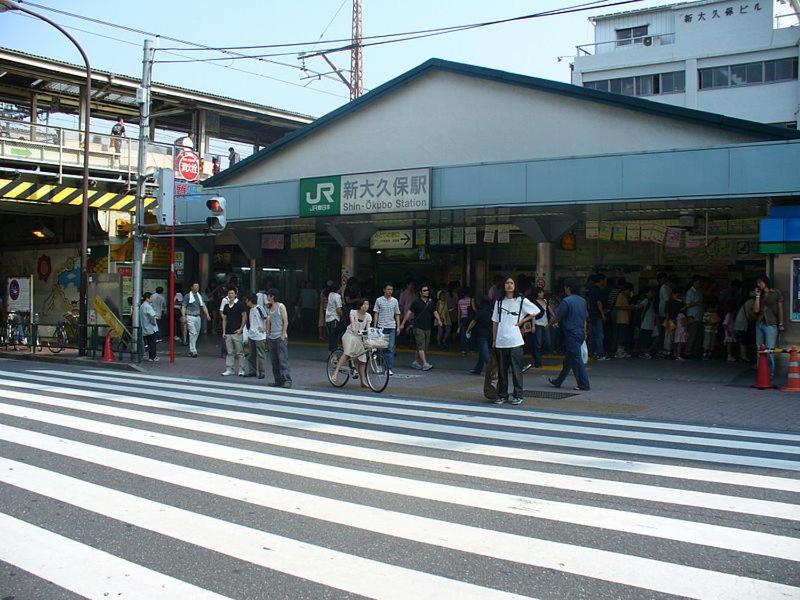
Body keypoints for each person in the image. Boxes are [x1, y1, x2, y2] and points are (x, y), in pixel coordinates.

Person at [491, 277, 539, 405]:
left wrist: (523, 320)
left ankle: (518, 395)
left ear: (515, 286)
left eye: (512, 283)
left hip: (515, 340)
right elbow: (495, 322)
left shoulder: (521, 300)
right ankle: (503, 395)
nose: (509, 285)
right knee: (502, 371)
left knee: (516, 370)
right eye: (507, 283)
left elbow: (536, 310)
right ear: (504, 286)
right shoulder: (499, 302)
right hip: (501, 340)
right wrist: (494, 340)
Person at [548, 278, 591, 391]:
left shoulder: (567, 301)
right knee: (569, 359)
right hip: (580, 332)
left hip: (571, 333)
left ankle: (584, 384)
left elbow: (558, 316)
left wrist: (549, 325)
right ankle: (558, 381)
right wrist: (585, 332)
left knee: (576, 359)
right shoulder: (582, 301)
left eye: (565, 287)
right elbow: (585, 319)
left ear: (568, 288)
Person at [399, 283, 441, 371]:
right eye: (424, 291)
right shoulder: (416, 302)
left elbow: (435, 312)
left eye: (427, 290)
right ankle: (425, 363)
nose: (426, 292)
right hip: (418, 327)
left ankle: (416, 362)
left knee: (424, 346)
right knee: (421, 345)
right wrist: (403, 323)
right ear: (420, 293)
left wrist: (439, 320)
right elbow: (409, 313)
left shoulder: (431, 302)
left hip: (428, 327)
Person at [333, 299, 373, 387]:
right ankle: (335, 373)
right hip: (349, 335)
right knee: (347, 353)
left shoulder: (368, 316)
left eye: (367, 304)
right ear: (360, 306)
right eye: (364, 304)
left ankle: (363, 381)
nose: (365, 306)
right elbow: (353, 322)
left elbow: (368, 328)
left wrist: (370, 335)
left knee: (363, 359)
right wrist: (355, 330)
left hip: (359, 337)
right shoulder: (353, 312)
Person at [753, 274, 784, 377]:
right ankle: (760, 371)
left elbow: (780, 309)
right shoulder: (760, 295)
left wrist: (781, 323)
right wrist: (757, 296)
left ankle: (770, 373)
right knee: (759, 349)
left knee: (770, 349)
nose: (759, 285)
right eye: (758, 283)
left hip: (771, 323)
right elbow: (756, 310)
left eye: (760, 282)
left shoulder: (776, 293)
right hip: (760, 323)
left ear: (765, 282)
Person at [265, 288, 292, 388]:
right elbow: (269, 321)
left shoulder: (281, 306)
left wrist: (283, 334)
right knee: (274, 360)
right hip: (272, 337)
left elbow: (286, 321)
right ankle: (278, 380)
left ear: (272, 296)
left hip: (280, 337)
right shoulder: (270, 307)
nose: (267, 297)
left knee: (282, 360)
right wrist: (267, 333)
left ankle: (287, 380)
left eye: (268, 295)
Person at [373, 283, 400, 376]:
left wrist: (398, 326)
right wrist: (375, 325)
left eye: (391, 290)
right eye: (388, 289)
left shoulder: (395, 301)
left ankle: (389, 368)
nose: (390, 291)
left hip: (392, 326)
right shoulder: (379, 300)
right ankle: (380, 365)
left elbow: (397, 313)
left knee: (391, 348)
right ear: (384, 290)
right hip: (381, 327)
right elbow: (376, 313)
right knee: (380, 348)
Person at [220, 288, 248, 376]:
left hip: (237, 332)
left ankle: (241, 369)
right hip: (228, 332)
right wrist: (224, 332)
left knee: (240, 352)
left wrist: (240, 329)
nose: (230, 295)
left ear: (235, 294)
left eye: (232, 293)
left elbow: (244, 317)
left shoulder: (240, 304)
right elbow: (224, 319)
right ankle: (229, 369)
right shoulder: (226, 306)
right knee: (229, 352)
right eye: (229, 293)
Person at [181, 282, 210, 358]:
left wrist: (207, 315)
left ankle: (192, 349)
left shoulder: (199, 296)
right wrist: (183, 316)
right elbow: (183, 306)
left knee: (196, 333)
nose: (197, 288)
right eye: (195, 286)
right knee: (192, 333)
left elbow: (203, 306)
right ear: (191, 287)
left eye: (198, 286)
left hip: (198, 317)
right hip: (190, 316)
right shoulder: (187, 296)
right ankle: (193, 350)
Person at [467, 296, 493, 374]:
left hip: (482, 334)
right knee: (482, 352)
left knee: (485, 352)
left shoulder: (480, 311)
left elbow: (473, 322)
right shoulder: (492, 312)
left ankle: (491, 369)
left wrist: (468, 330)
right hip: (490, 334)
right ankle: (478, 369)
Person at [245, 293, 268, 379]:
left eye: (247, 300)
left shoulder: (259, 308)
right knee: (251, 354)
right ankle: (253, 371)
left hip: (259, 336)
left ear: (250, 300)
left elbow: (266, 318)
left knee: (260, 354)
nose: (246, 302)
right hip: (252, 335)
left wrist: (264, 329)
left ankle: (262, 372)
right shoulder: (251, 309)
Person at [587, 274, 608, 361]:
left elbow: (588, 302)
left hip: (591, 315)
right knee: (600, 335)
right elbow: (599, 302)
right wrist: (602, 314)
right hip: (597, 315)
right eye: (604, 280)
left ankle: (590, 353)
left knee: (592, 335)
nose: (605, 282)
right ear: (601, 280)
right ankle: (600, 354)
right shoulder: (598, 290)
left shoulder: (591, 289)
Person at [684, 276, 706, 358]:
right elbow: (687, 304)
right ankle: (688, 352)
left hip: (700, 315)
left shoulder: (700, 291)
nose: (700, 284)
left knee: (698, 336)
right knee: (692, 335)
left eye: (701, 283)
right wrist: (697, 302)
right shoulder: (690, 292)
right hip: (692, 316)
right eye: (698, 282)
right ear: (694, 282)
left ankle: (695, 351)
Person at [613, 284, 633, 359]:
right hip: (621, 319)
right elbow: (617, 306)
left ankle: (622, 351)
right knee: (621, 336)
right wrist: (628, 307)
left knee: (624, 336)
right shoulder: (620, 295)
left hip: (625, 319)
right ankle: (619, 352)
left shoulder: (626, 297)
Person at [139, 292, 159, 362]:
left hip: (144, 327)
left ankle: (151, 356)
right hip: (150, 328)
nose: (152, 299)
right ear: (147, 298)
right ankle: (152, 357)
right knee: (152, 343)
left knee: (148, 343)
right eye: (151, 297)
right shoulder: (148, 306)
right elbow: (152, 316)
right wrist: (153, 323)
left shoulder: (142, 306)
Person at [325, 282, 343, 351]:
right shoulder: (337, 296)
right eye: (340, 287)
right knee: (334, 337)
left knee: (331, 337)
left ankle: (331, 352)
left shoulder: (330, 294)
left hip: (328, 318)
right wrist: (342, 316)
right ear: (338, 288)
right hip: (334, 318)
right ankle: (334, 353)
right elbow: (338, 309)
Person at [457, 288, 474, 355]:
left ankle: (463, 350)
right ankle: (470, 349)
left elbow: (459, 312)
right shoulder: (471, 300)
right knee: (470, 333)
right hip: (470, 318)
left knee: (463, 334)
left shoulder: (460, 301)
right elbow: (474, 308)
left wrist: (458, 322)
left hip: (463, 319)